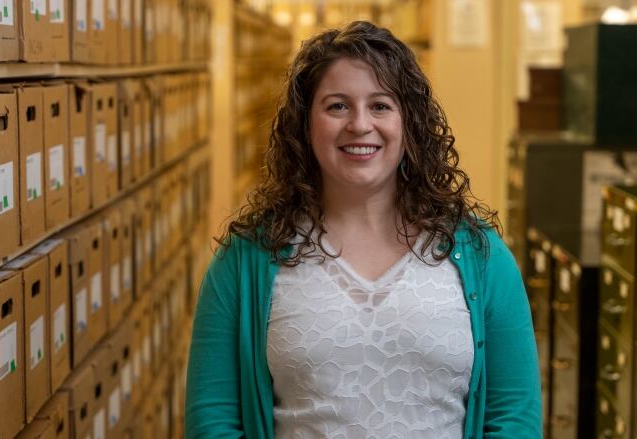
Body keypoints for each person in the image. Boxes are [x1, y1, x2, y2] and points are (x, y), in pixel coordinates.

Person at [185, 21, 541, 438]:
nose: (359, 124)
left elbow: (514, 415)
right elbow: (213, 420)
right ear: (305, 125)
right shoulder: (244, 260)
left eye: (380, 105)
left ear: (409, 123)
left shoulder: (482, 256)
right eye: (337, 106)